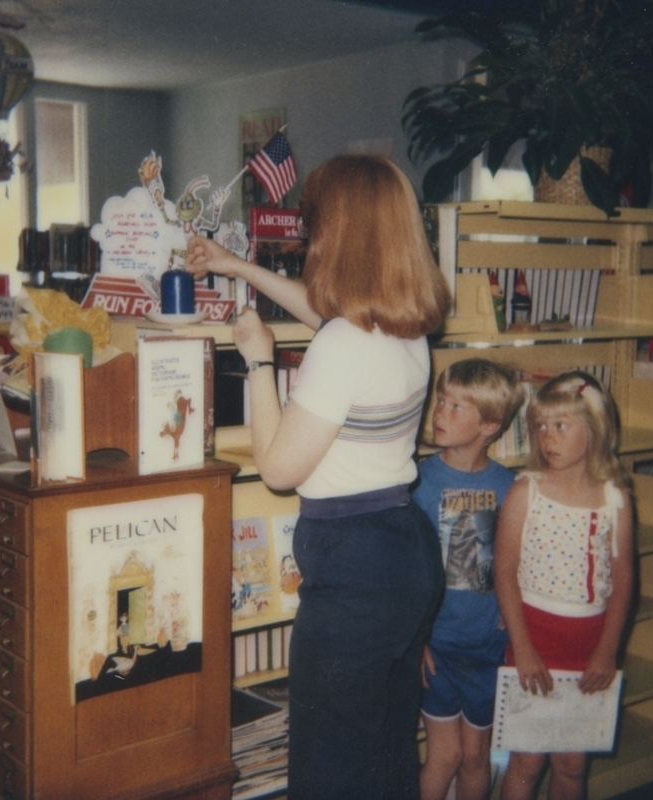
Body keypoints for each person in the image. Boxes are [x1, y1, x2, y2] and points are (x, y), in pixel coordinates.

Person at [187, 154, 451, 800]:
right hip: (405, 551)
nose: (306, 234)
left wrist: (258, 360)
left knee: (329, 764)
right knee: (385, 748)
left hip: (353, 565)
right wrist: (238, 267)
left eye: (313, 222)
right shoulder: (404, 325)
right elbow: (325, 318)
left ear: (339, 232)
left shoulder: (342, 346)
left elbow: (278, 469)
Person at [495, 371, 634, 800]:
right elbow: (504, 571)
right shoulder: (526, 491)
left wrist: (607, 650)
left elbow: (624, 578)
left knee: (572, 766)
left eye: (560, 426)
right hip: (533, 636)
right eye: (540, 426)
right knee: (526, 763)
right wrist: (523, 649)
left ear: (594, 430)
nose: (546, 438)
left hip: (589, 644)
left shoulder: (614, 497)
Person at [413, 358, 525, 800]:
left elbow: (519, 561)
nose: (441, 413)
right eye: (442, 401)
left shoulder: (510, 487)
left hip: (488, 647)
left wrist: (511, 612)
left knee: (477, 756)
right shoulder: (417, 480)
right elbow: (407, 572)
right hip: (437, 648)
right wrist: (415, 637)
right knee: (443, 757)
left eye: (458, 408)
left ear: (490, 425)